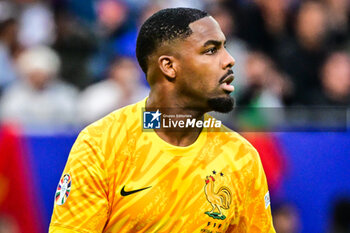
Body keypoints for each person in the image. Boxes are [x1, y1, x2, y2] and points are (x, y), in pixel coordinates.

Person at [49, 8, 275, 233]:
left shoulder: (241, 157)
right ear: (169, 66)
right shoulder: (100, 145)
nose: (229, 60)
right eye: (211, 50)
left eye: (224, 47)